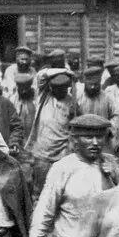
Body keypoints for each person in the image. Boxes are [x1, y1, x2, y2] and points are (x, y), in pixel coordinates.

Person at [22, 68, 76, 198]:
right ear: (51, 88)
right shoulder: (44, 97)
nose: (58, 91)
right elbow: (41, 75)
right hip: (42, 155)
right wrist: (65, 71)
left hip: (62, 154)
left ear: (67, 88)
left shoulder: (71, 102)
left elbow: (73, 128)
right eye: (55, 88)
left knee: (61, 192)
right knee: (39, 192)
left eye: (62, 88)